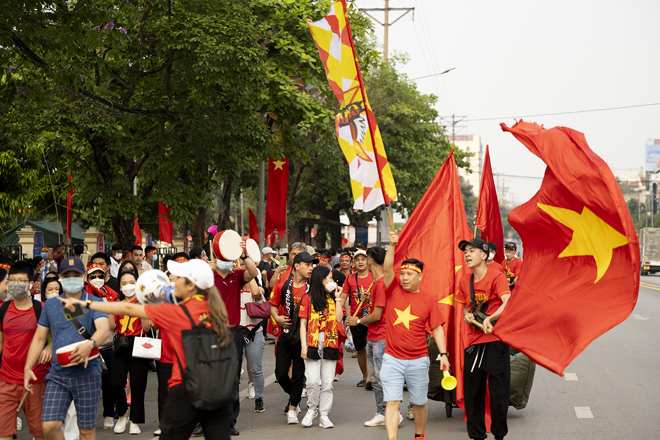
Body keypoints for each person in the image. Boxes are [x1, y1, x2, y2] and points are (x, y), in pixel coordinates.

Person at [59, 259, 234, 440]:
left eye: (178, 279)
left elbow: (127, 307)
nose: (172, 282)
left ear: (190, 285)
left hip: (186, 391)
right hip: (219, 390)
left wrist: (87, 304)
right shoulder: (216, 308)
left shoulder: (176, 312)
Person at [23, 257, 110, 440]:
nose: (72, 278)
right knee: (48, 427)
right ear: (60, 277)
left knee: (86, 432)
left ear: (84, 276)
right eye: (67, 275)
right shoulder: (51, 305)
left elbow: (103, 329)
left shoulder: (95, 302)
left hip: (87, 374)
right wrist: (27, 367)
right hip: (57, 376)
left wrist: (91, 343)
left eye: (76, 275)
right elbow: (39, 338)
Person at [381, 230, 450, 440]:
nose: (404, 278)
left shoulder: (429, 300)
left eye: (409, 274)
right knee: (392, 402)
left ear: (420, 276)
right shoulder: (392, 290)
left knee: (419, 402)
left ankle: (419, 436)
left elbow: (437, 328)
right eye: (402, 273)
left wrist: (444, 354)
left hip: (418, 360)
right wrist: (392, 245)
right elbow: (386, 269)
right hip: (392, 358)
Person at [456, 238, 512, 440]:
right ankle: (477, 436)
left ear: (484, 255)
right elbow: (464, 309)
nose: (467, 255)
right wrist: (467, 316)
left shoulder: (497, 277)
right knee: (473, 395)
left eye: (472, 251)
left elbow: (508, 302)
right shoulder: (464, 280)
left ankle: (499, 435)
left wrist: (491, 317)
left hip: (496, 342)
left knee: (498, 396)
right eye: (465, 252)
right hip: (473, 343)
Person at [211, 243, 259, 436]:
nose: (224, 261)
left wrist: (243, 253)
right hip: (210, 332)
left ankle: (229, 421)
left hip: (233, 333)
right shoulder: (207, 277)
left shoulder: (237, 276)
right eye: (220, 257)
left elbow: (253, 271)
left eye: (227, 258)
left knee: (232, 379)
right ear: (215, 258)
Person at [346, 246, 397, 427]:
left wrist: (358, 321)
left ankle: (392, 413)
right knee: (375, 379)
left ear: (369, 261)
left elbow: (377, 315)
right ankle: (382, 413)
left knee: (383, 379)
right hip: (373, 337)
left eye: (365, 259)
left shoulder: (382, 283)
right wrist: (369, 300)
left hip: (381, 337)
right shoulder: (376, 283)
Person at [0, 261, 50, 440]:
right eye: (12, 280)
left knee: (40, 432)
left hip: (36, 380)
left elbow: (60, 336)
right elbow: (1, 343)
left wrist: (50, 347)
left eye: (21, 281)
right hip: (6, 379)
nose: (15, 284)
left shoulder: (42, 309)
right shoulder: (3, 309)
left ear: (31, 284)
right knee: (4, 432)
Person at [269, 251, 317, 424]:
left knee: (298, 376)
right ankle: (295, 396)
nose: (311, 268)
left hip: (304, 339)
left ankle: (292, 408)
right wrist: (277, 318)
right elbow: (273, 305)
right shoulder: (283, 284)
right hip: (286, 335)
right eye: (307, 265)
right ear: (296, 266)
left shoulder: (312, 287)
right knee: (280, 374)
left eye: (312, 265)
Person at [299, 265, 344, 428]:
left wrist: (338, 298)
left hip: (330, 341)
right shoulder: (308, 298)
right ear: (322, 279)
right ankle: (312, 409)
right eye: (330, 277)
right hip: (312, 341)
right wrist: (303, 346)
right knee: (312, 381)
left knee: (327, 383)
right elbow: (303, 324)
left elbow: (339, 319)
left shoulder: (333, 297)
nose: (333, 280)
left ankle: (324, 414)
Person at [109, 270, 152, 435]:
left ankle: (135, 420)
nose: (128, 286)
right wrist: (110, 308)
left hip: (139, 343)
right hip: (121, 344)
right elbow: (112, 326)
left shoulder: (143, 301)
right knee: (116, 382)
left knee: (138, 384)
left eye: (132, 282)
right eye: (124, 283)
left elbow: (147, 328)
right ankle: (122, 415)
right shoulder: (117, 302)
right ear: (120, 286)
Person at [84, 264, 119, 430]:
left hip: (107, 345)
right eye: (92, 276)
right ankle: (85, 418)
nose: (96, 279)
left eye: (100, 276)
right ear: (87, 278)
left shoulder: (111, 296)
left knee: (108, 383)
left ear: (106, 277)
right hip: (86, 347)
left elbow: (113, 324)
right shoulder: (82, 296)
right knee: (87, 385)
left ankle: (109, 414)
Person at [341, 249, 372, 387]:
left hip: (373, 318)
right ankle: (365, 377)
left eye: (363, 259)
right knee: (361, 349)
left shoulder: (374, 277)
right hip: (355, 318)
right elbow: (343, 297)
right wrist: (337, 312)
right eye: (358, 259)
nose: (360, 262)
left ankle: (372, 378)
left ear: (368, 262)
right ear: (354, 263)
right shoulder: (350, 279)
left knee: (373, 348)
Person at [238, 262, 266, 413]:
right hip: (236, 333)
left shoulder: (257, 289)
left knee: (256, 369)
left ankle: (259, 398)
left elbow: (256, 293)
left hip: (254, 333)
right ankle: (230, 403)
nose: (242, 267)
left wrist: (250, 274)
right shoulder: (232, 288)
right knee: (234, 370)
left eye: (245, 266)